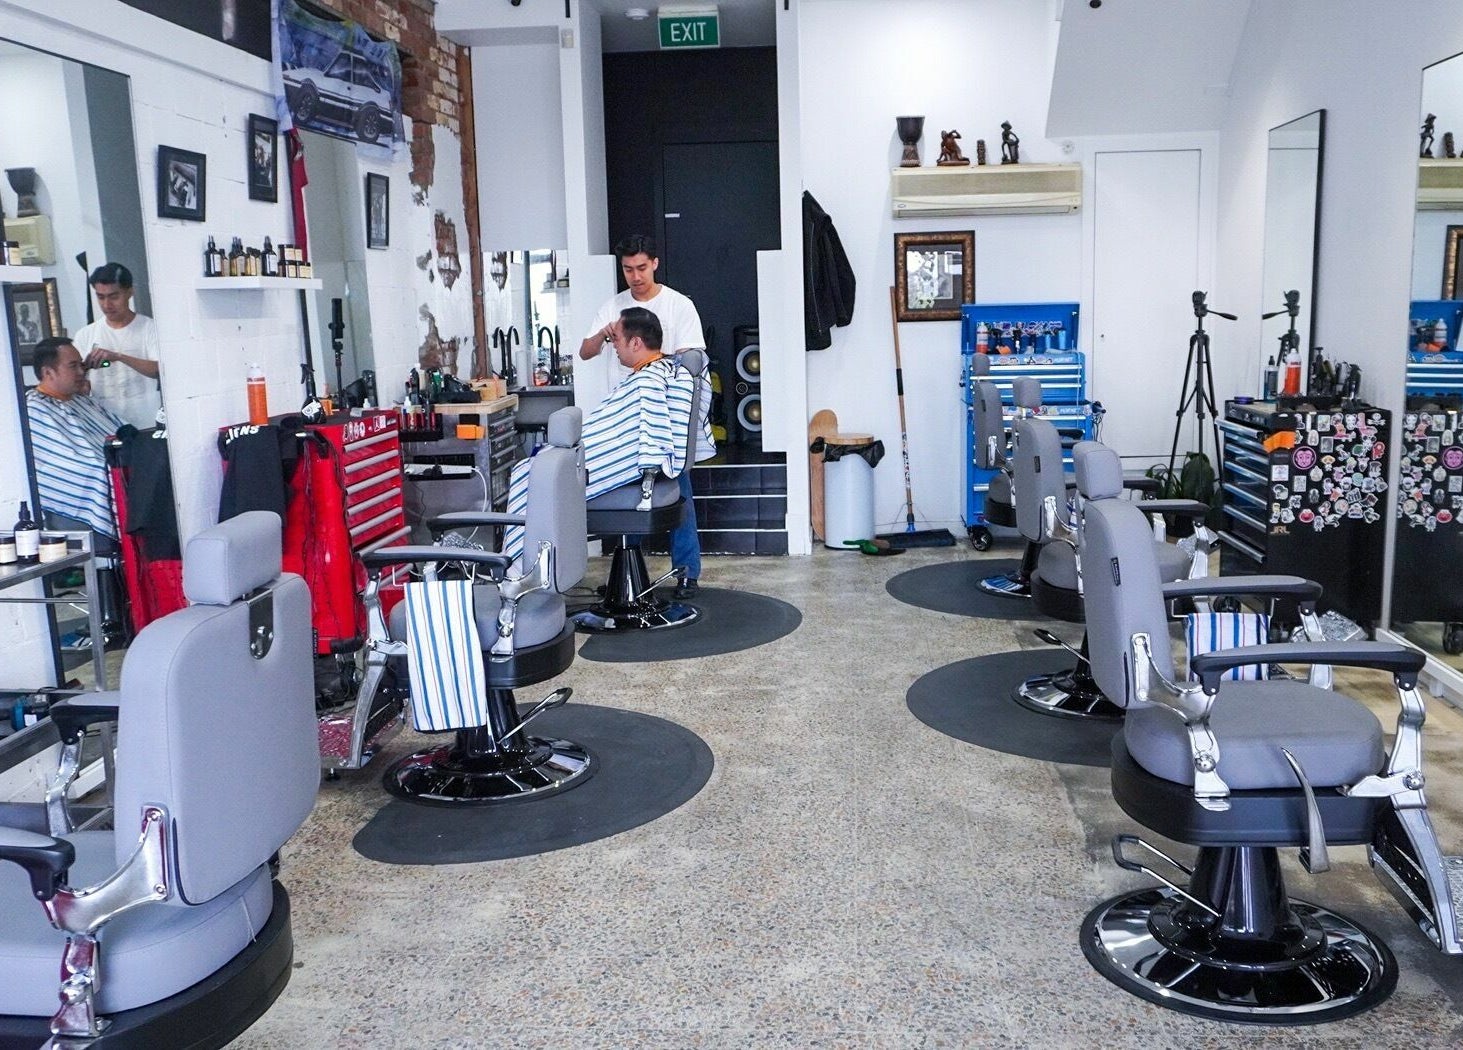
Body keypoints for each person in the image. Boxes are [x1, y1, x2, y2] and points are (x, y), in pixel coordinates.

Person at [504, 308, 694, 565]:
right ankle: (535, 566)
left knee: (529, 474)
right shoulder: (664, 371)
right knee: (536, 468)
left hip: (636, 472)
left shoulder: (648, 382)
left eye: (616, 338)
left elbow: (653, 438)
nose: (613, 346)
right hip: (636, 469)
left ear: (635, 342)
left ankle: (521, 567)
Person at [579, 234, 711, 598]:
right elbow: (585, 351)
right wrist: (606, 334)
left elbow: (691, 363)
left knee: (677, 490)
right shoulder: (614, 306)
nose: (635, 276)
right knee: (627, 494)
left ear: (654, 263)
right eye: (627, 269)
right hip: (627, 419)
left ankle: (687, 571)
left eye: (641, 267)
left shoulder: (679, 305)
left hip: (663, 415)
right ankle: (629, 574)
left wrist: (649, 358)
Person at [24, 337, 126, 542]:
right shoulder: (34, 409)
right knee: (106, 473)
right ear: (47, 372)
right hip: (80, 503)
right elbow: (66, 463)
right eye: (73, 366)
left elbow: (124, 433)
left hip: (118, 475)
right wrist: (110, 469)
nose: (81, 372)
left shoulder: (83, 401)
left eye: (81, 365)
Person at [71, 262, 162, 429]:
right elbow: (77, 376)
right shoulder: (85, 335)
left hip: (145, 423)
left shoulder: (150, 329)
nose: (107, 305)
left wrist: (118, 357)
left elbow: (159, 370)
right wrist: (83, 379)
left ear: (129, 292)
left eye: (114, 296)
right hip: (104, 424)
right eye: (100, 297)